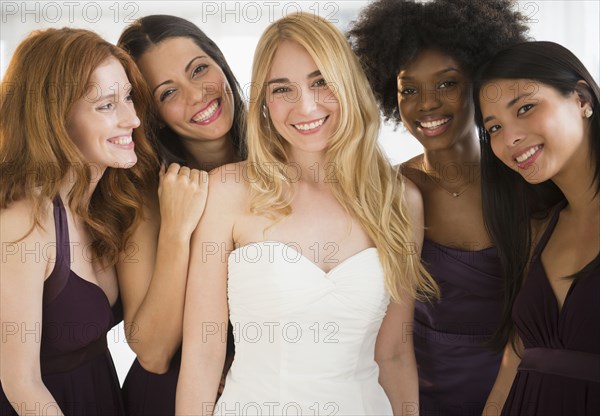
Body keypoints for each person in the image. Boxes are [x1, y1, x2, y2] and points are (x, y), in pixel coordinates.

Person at [176, 12, 440, 415]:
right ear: (263, 101)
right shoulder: (227, 191)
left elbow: (395, 355)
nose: (306, 105)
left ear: (348, 84)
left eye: (320, 82)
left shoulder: (400, 200)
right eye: (283, 89)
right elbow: (203, 352)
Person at [348, 1, 529, 414]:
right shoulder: (387, 192)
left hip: (514, 387)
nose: (427, 104)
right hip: (411, 390)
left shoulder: (523, 182)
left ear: (479, 83)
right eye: (409, 90)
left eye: (446, 84)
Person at [0, 28, 158, 415]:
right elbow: (21, 384)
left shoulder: (104, 204)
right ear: (54, 119)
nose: (132, 118)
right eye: (106, 105)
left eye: (127, 98)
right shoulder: (25, 218)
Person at [116, 15, 246, 415]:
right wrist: (176, 229)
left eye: (200, 69)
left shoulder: (287, 157)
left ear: (220, 62)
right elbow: (153, 354)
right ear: (150, 114)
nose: (197, 95)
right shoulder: (144, 197)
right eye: (168, 92)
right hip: (168, 399)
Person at [474, 40, 600, 416]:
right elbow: (512, 366)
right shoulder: (537, 231)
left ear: (581, 98)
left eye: (525, 108)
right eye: (493, 127)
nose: (509, 138)